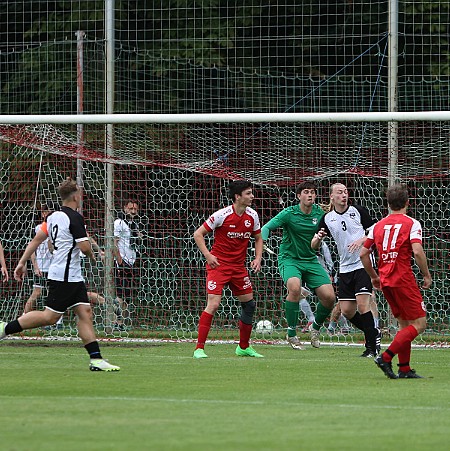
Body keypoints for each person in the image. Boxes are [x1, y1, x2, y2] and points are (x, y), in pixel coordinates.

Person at [0, 178, 120, 372]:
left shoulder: (53, 216)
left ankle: (96, 359)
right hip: (64, 276)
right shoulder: (74, 217)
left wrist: (22, 262)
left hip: (71, 275)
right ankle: (6, 328)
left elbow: (37, 240)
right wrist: (91, 255)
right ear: (75, 196)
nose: (82, 197)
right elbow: (83, 245)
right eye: (80, 194)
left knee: (85, 312)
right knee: (50, 317)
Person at [361, 183, 431, 379]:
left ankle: (405, 368)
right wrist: (426, 274)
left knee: (404, 324)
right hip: (403, 279)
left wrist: (374, 276)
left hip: (386, 280)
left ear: (388, 203)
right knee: (419, 324)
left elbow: (363, 253)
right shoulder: (411, 223)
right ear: (408, 202)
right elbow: (417, 251)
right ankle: (385, 357)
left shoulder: (378, 226)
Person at [193, 180, 263, 358]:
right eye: (248, 193)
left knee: (249, 305)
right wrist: (208, 255)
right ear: (237, 197)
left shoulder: (252, 216)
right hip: (219, 266)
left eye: (251, 193)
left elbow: (258, 238)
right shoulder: (222, 215)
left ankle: (244, 347)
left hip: (238, 268)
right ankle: (199, 349)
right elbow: (198, 234)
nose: (252, 196)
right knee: (214, 304)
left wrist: (257, 258)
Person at [261, 181, 335, 349]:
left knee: (330, 297)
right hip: (290, 259)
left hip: (310, 260)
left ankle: (315, 328)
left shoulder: (320, 213)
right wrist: (262, 242)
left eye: (313, 192)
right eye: (306, 192)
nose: (310, 195)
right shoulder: (289, 213)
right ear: (299, 196)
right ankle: (292, 334)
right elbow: (266, 227)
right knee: (294, 288)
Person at [312, 183, 381, 357]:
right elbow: (313, 245)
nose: (344, 195)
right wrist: (318, 238)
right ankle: (373, 333)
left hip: (362, 264)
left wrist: (362, 241)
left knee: (364, 305)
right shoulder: (327, 219)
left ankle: (371, 348)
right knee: (347, 311)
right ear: (332, 197)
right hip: (345, 267)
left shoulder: (357, 211)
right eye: (339, 192)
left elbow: (375, 232)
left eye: (345, 192)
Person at [22, 203, 63, 329]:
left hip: (53, 267)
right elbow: (33, 248)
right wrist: (35, 266)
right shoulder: (39, 228)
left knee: (56, 293)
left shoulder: (57, 228)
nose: (46, 214)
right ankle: (23, 317)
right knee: (37, 292)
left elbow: (52, 249)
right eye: (45, 212)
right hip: (42, 266)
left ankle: (57, 322)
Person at [113, 200, 141, 330]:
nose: (133, 211)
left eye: (135, 209)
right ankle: (115, 322)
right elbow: (114, 243)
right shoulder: (119, 222)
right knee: (120, 294)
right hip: (122, 262)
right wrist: (119, 262)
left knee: (127, 296)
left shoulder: (134, 225)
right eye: (131, 208)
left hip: (132, 262)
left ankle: (120, 323)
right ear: (125, 208)